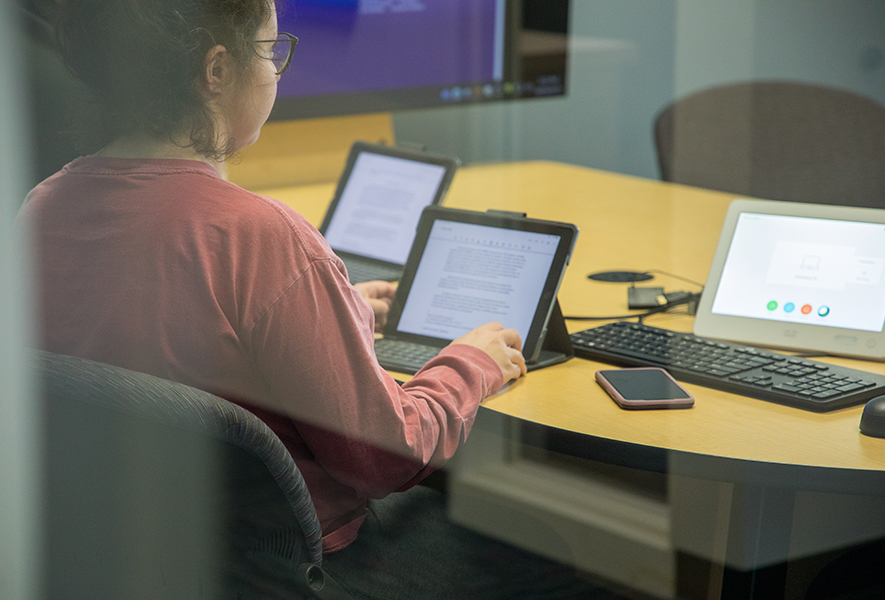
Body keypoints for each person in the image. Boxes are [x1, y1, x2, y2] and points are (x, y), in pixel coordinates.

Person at [19, 1, 619, 598]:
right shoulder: (262, 239)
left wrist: (337, 306)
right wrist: (472, 363)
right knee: (568, 563)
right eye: (270, 51)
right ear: (218, 71)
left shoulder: (41, 208)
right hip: (294, 565)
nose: (278, 72)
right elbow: (388, 455)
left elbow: (157, 334)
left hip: (130, 555)